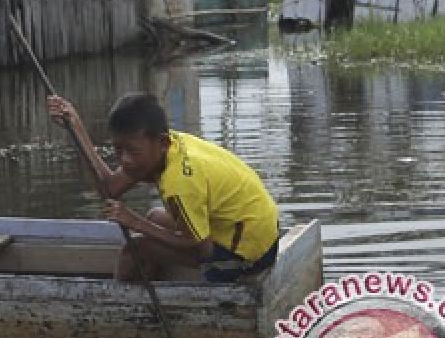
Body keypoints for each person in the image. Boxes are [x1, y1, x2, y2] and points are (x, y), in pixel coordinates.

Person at [47, 92, 279, 283]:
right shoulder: (168, 146)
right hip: (247, 230)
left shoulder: (179, 183)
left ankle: (124, 313)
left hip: (250, 254)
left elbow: (201, 248)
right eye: (118, 150)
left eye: (132, 151)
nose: (125, 160)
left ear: (161, 142)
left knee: (136, 250)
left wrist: (135, 222)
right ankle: (151, 290)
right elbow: (110, 188)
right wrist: (75, 127)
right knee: (156, 217)